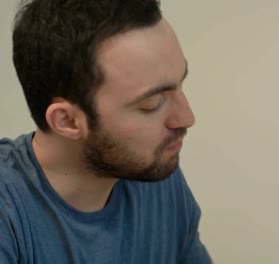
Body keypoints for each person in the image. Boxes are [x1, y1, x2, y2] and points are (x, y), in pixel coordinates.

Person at [0, 0, 212, 263]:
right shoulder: (9, 213)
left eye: (180, 84)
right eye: (152, 104)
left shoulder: (156, 174)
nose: (186, 118)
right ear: (67, 121)